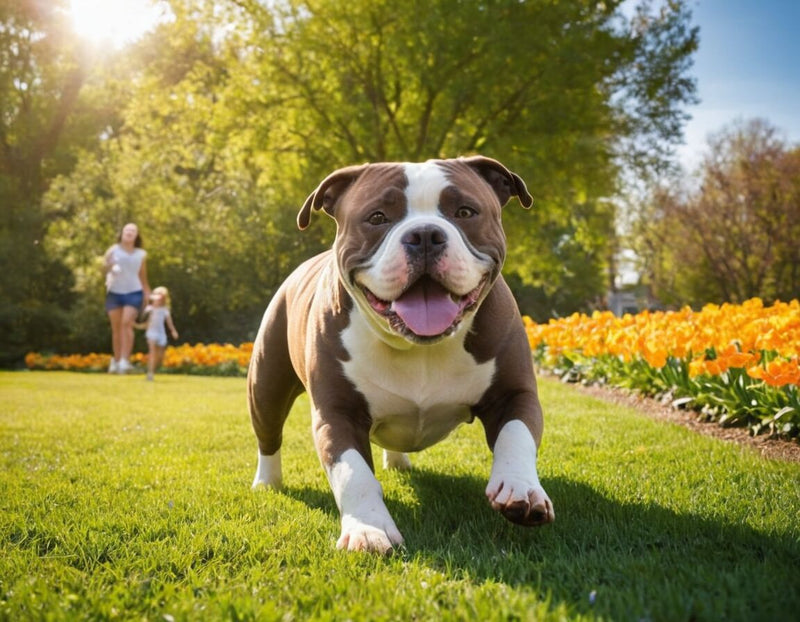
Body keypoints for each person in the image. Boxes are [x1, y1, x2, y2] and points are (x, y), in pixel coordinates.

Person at [103, 223, 150, 373]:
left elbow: (142, 276)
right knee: (116, 328)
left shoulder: (141, 254)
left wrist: (147, 293)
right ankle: (116, 361)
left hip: (134, 292)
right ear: (122, 233)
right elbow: (103, 269)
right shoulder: (113, 250)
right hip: (114, 292)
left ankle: (125, 361)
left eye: (133, 230)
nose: (129, 232)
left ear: (136, 235)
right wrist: (110, 268)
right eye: (127, 230)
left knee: (126, 323)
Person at [136, 286, 179, 381]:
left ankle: (153, 370)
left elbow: (169, 323)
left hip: (161, 333)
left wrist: (173, 331)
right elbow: (144, 319)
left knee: (160, 356)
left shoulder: (165, 310)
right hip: (151, 333)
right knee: (152, 352)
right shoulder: (149, 309)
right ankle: (150, 374)